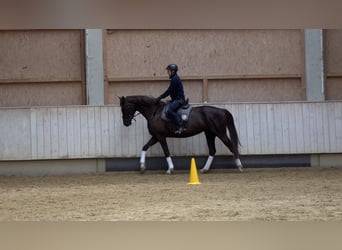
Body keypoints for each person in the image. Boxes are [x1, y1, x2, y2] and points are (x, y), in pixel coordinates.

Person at [155, 64, 186, 134]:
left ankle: (181, 126)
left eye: (168, 71)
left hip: (179, 100)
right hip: (176, 99)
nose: (167, 73)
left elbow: (169, 91)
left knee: (169, 110)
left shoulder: (175, 79)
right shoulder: (174, 78)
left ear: (173, 71)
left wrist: (160, 97)